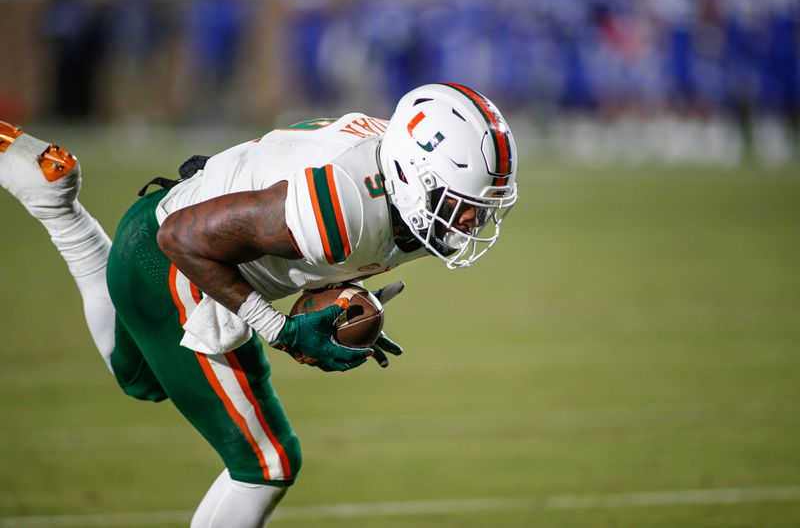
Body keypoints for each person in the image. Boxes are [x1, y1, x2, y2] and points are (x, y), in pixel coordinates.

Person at [0, 83, 518, 527]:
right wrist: (282, 330)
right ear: (413, 175)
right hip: (172, 264)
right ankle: (59, 212)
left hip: (164, 238)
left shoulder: (393, 169)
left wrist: (343, 297)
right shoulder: (344, 207)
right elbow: (181, 237)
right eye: (460, 205)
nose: (470, 224)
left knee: (139, 381)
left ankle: (57, 207)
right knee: (266, 463)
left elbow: (283, 162)